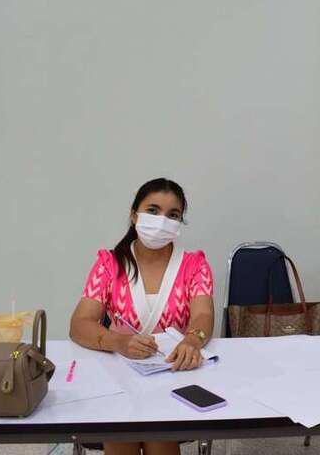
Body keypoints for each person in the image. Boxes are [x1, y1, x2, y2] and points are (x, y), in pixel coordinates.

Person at [70, 178, 214, 455]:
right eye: (153, 210)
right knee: (122, 432)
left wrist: (192, 340)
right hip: (119, 376)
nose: (162, 221)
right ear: (134, 215)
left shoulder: (194, 265)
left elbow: (203, 315)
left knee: (159, 437)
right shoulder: (109, 264)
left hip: (173, 374)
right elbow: (79, 324)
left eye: (173, 215)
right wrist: (119, 342)